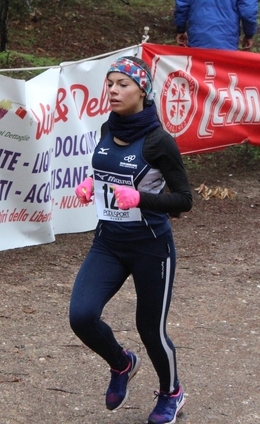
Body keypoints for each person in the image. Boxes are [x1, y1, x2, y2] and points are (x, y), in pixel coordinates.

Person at [69, 56, 193, 424]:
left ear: (142, 89)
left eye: (122, 84)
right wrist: (93, 184)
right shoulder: (109, 127)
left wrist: (142, 198)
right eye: (109, 85)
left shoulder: (159, 141)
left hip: (151, 246)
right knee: (82, 315)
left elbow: (184, 200)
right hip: (108, 242)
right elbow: (109, 169)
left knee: (149, 328)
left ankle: (172, 392)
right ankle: (122, 364)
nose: (113, 91)